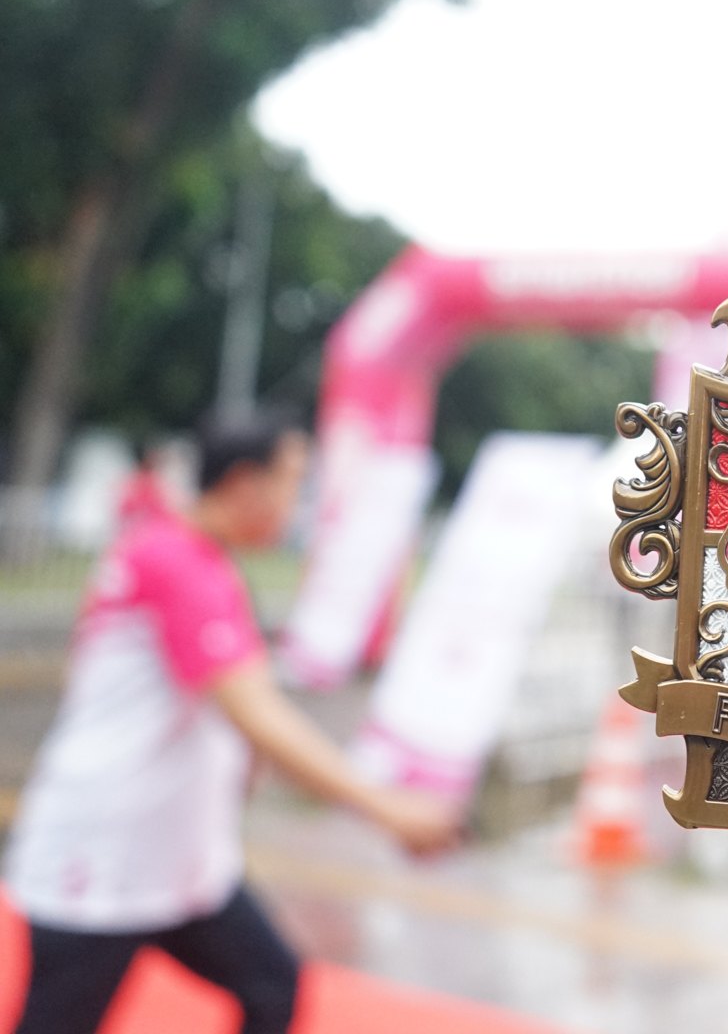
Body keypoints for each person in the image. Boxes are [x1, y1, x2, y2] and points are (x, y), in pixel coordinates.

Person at [5, 412, 461, 1034]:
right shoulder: (177, 563)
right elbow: (257, 712)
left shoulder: (184, 553)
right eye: (294, 483)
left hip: (179, 856)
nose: (300, 504)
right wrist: (386, 808)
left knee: (271, 989)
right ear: (246, 483)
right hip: (104, 860)